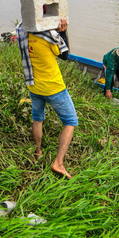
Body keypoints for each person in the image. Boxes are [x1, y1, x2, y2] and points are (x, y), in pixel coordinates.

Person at [16, 17, 78, 179]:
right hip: (53, 87)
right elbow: (65, 55)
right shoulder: (48, 37)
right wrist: (62, 33)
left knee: (38, 118)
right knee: (70, 122)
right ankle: (58, 162)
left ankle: (38, 151)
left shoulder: (23, 33)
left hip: (34, 85)